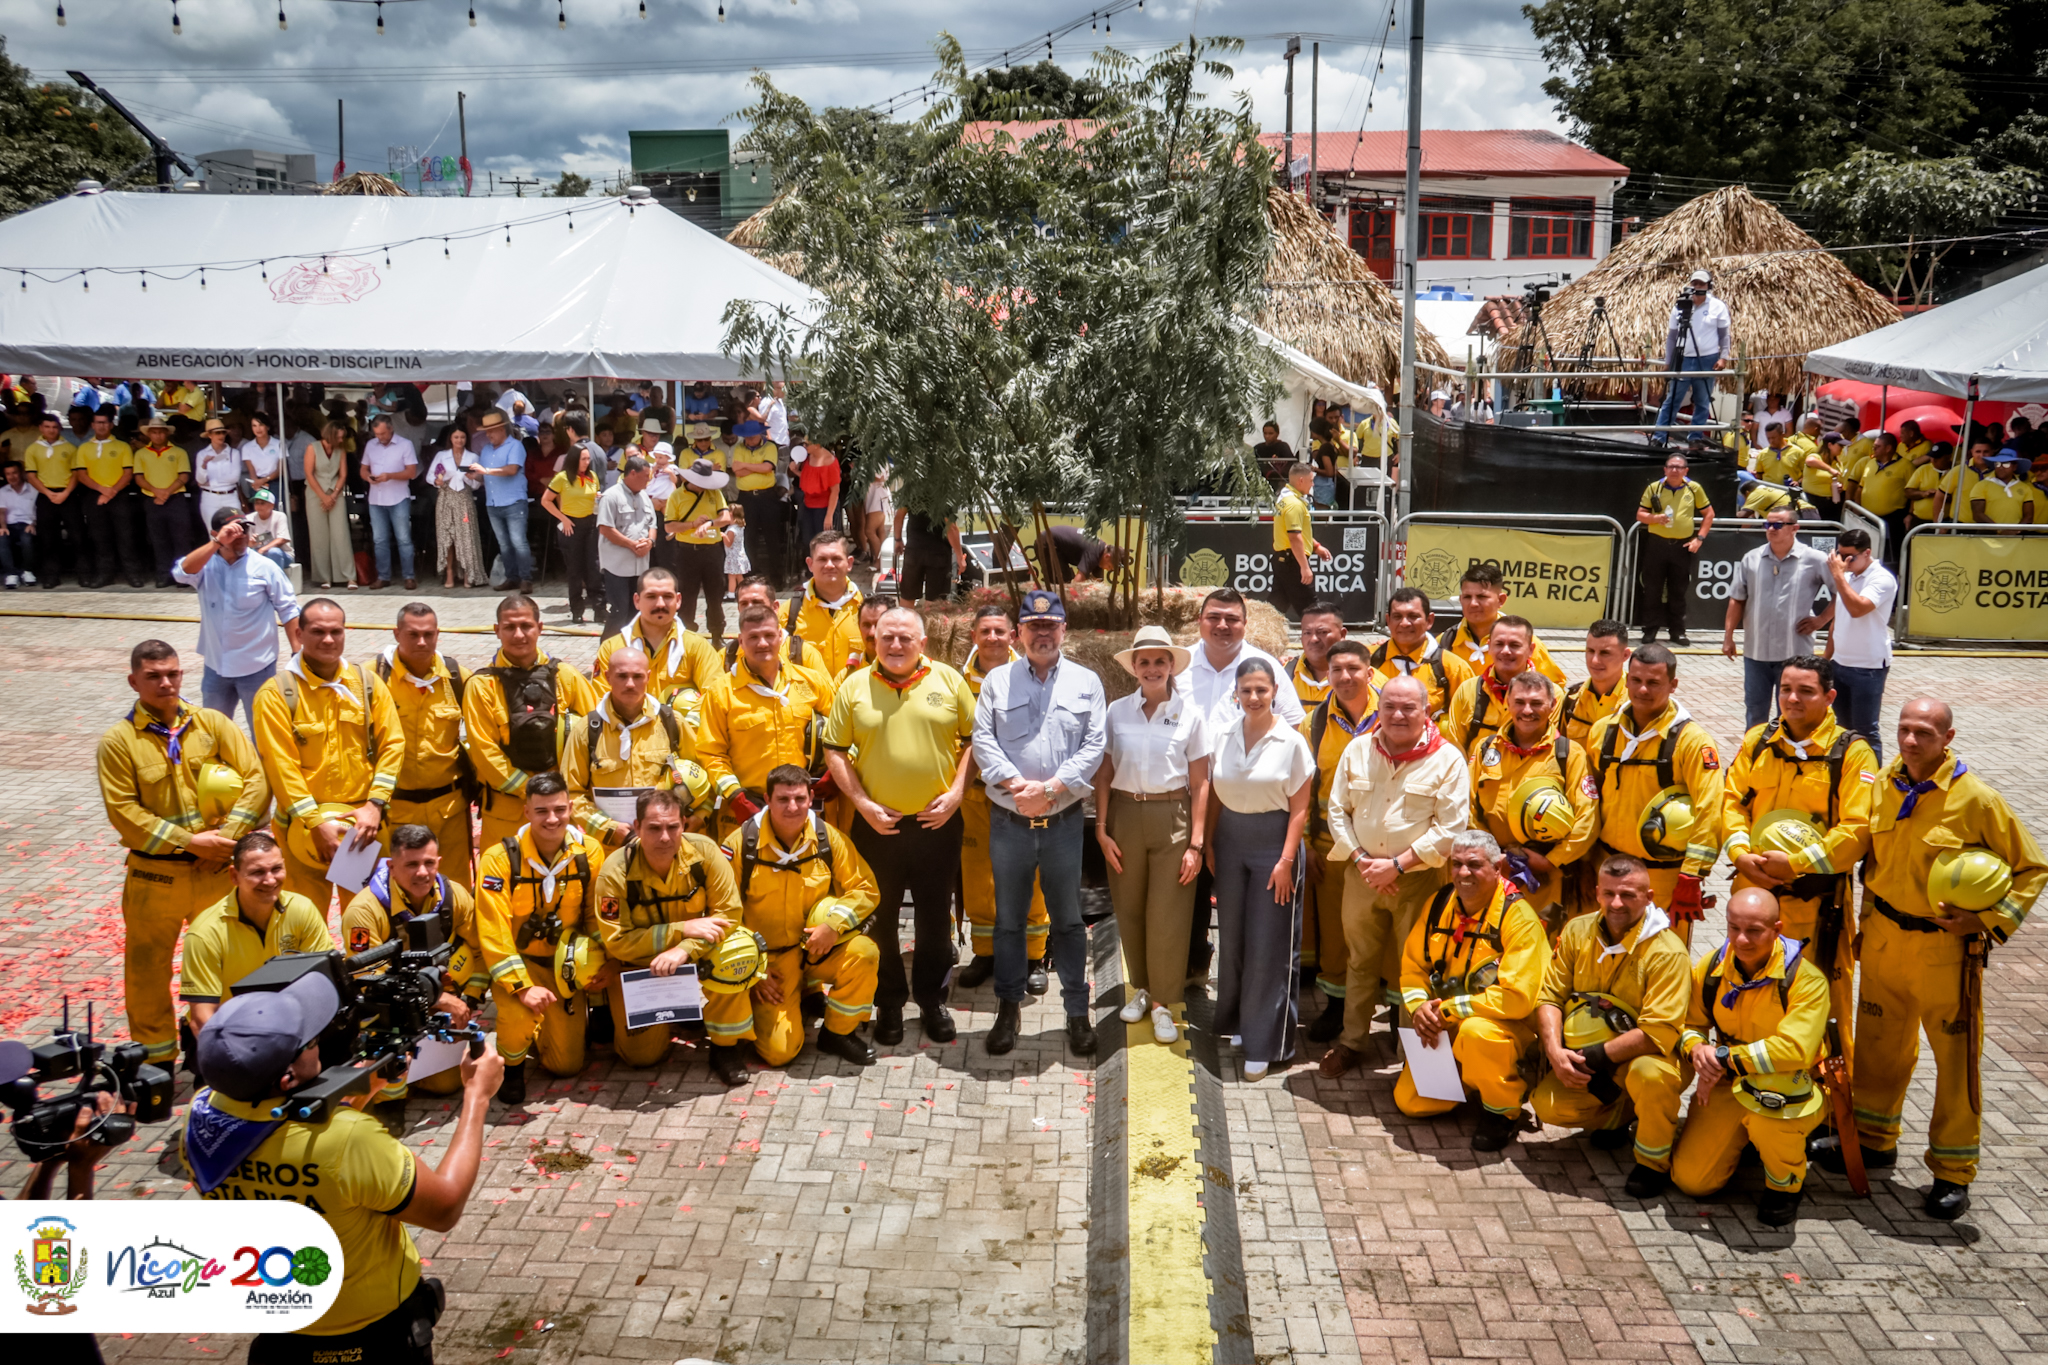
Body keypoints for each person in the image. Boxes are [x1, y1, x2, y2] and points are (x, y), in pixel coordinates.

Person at [186, 966, 501, 1362]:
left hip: (282, 1333)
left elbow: (293, 1142)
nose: (320, 1042)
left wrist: (364, 1089)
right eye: (311, 1040)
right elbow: (444, 1207)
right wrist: (477, 1096)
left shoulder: (202, 1118)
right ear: (286, 1078)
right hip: (373, 1337)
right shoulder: (350, 1139)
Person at [1822, 697, 2047, 1219]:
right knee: (1880, 1048)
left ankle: (1951, 1172)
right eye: (1904, 729)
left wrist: (1987, 921)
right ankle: (1876, 1141)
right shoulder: (1882, 785)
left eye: (1924, 731)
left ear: (1948, 737)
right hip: (1883, 941)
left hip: (1944, 951)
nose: (1910, 740)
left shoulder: (1976, 800)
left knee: (1955, 1064)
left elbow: (2032, 868)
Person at [98, 640, 269, 1066]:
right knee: (147, 971)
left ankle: (224, 1050)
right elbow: (124, 813)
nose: (166, 682)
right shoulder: (119, 742)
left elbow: (256, 780)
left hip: (215, 873)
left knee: (230, 961)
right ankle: (156, 1061)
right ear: (134, 681)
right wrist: (191, 842)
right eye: (154, 676)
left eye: (172, 673)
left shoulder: (212, 724)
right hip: (155, 878)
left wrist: (227, 839)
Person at [822, 605, 976, 1048]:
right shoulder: (853, 687)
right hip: (877, 827)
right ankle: (889, 1001)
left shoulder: (949, 680)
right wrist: (862, 803)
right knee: (880, 917)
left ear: (922, 643)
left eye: (905, 638)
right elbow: (834, 749)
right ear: (873, 639)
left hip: (937, 824)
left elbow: (974, 739)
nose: (895, 645)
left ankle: (931, 1000)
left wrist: (957, 793)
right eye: (886, 636)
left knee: (934, 918)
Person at [970, 589, 1109, 1057]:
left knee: (1069, 923)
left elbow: (1095, 746)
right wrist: (1016, 786)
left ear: (1064, 630)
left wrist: (1049, 790)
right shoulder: (997, 682)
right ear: (1019, 633)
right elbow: (983, 740)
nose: (1043, 634)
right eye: (1034, 626)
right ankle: (1008, 1010)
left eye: (1051, 627)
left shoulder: (1088, 682)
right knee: (1009, 921)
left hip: (1063, 821)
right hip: (1010, 820)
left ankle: (1077, 1013)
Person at [1719, 654, 1874, 1069]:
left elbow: (1858, 829)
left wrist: (1797, 864)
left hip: (1817, 912)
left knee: (1825, 1012)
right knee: (1751, 1003)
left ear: (1829, 696)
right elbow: (1731, 800)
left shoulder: (1852, 753)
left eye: (1806, 691)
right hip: (1753, 903)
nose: (1792, 698)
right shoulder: (1758, 741)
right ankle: (1751, 1097)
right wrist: (1740, 853)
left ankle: (1826, 1116)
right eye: (1786, 689)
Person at [1319, 674, 1470, 1079]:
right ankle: (1352, 1042)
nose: (1398, 715)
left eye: (1408, 708)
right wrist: (1363, 860)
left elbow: (1452, 828)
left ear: (1426, 711)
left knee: (1418, 969)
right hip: (1362, 875)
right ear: (1378, 708)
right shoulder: (1357, 750)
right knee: (1360, 961)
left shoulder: (1447, 758)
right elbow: (1337, 810)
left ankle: (1416, 1059)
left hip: (1419, 881)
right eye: (1390, 707)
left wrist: (1398, 865)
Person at [1668, 887, 1831, 1226]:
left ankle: (1785, 1186)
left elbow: (1794, 1050)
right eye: (1733, 928)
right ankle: (1748, 1145)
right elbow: (1688, 1024)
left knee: (1766, 1121)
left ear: (1777, 929)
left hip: (1791, 1086)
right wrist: (1697, 1049)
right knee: (1692, 1182)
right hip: (1731, 1081)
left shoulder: (1806, 980)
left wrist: (1723, 1056)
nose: (1741, 940)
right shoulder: (1712, 966)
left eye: (1754, 930)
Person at [1532, 854, 1691, 1195]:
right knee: (1548, 1105)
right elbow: (1549, 996)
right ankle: (1622, 1112)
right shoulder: (1577, 929)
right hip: (1595, 1056)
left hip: (1653, 1057)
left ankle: (1653, 1163)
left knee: (1649, 1076)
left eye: (1629, 895)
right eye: (1609, 894)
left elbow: (1657, 1033)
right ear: (1597, 892)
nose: (1617, 903)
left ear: (1649, 898)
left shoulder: (1668, 951)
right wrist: (1555, 1051)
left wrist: (1594, 1058)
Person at [710, 766, 882, 1071]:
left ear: (811, 797)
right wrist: (751, 972)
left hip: (817, 950)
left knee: (865, 953)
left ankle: (837, 1033)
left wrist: (833, 927)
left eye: (800, 798)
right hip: (769, 963)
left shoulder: (828, 838)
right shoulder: (739, 844)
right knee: (779, 1054)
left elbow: (866, 889)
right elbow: (719, 911)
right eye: (783, 799)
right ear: (767, 799)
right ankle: (752, 1012)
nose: (792, 807)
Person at [1394, 830, 1551, 1149]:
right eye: (1457, 864)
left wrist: (1448, 1012)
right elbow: (1413, 966)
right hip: (1447, 1022)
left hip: (1503, 1027)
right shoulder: (1440, 903)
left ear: (1498, 868)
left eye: (1475, 864)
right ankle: (1473, 1079)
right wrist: (1420, 1008)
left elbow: (1517, 999)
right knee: (1413, 1102)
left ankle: (1504, 1110)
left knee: (1475, 1033)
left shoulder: (1519, 919)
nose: (1463, 873)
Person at [1098, 624, 1212, 1047]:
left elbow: (1201, 783)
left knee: (1169, 913)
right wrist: (1101, 828)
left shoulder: (1190, 714)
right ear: (1134, 668)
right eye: (1143, 662)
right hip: (1125, 814)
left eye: (1159, 661)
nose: (1151, 668)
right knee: (1129, 908)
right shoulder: (1117, 711)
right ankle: (1142, 990)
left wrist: (1196, 843)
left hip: (1173, 816)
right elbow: (1106, 772)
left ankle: (1165, 1003)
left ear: (1170, 667)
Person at [252, 598, 405, 909]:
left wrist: (375, 805)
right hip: (303, 831)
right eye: (318, 631)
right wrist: (313, 822)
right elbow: (281, 767)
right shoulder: (277, 694)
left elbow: (393, 745)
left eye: (336, 631)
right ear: (299, 633)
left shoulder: (367, 685)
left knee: (362, 921)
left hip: (358, 829)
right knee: (303, 923)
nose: (328, 640)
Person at [1206, 657, 1316, 1080]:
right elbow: (1215, 793)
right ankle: (1236, 1021)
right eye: (1246, 690)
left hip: (1274, 843)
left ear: (1275, 692)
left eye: (1261, 690)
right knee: (1233, 936)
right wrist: (1212, 843)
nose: (1253, 697)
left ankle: (1265, 1043)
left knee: (1268, 944)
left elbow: (1300, 808)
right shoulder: (1223, 734)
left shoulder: (1291, 742)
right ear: (1235, 693)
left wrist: (1287, 861)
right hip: (1231, 841)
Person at [589, 789, 747, 1078]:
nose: (664, 837)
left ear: (684, 824)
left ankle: (725, 1047)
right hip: (642, 967)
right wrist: (681, 929)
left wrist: (684, 948)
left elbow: (730, 914)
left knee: (736, 949)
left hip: (694, 956)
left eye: (673, 827)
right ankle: (670, 1017)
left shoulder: (706, 852)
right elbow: (618, 942)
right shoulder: (614, 872)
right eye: (654, 828)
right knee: (640, 1057)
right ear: (636, 828)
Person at [473, 772, 606, 1104]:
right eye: (542, 811)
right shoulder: (499, 859)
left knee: (566, 1066)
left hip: (564, 968)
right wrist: (522, 987)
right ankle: (511, 1070)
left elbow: (595, 918)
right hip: (521, 965)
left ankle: (563, 1025)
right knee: (518, 1015)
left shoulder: (588, 853)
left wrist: (600, 964)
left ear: (571, 808)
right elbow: (494, 932)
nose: (552, 819)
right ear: (526, 812)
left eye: (560, 809)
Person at [1584, 643, 1722, 947]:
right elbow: (1587, 800)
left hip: (1662, 881)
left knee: (1662, 966)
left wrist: (1691, 877)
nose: (1642, 689)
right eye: (1635, 680)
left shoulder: (1693, 742)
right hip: (1607, 872)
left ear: (1673, 685)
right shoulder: (1603, 732)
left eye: (1654, 682)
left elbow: (1710, 812)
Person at [338, 824, 487, 1101]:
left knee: (446, 1085)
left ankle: (417, 1068)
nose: (422, 872)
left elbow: (480, 953)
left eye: (429, 863)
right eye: (411, 864)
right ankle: (387, 1098)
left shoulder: (455, 896)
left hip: (437, 1000)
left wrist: (469, 1000)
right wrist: (439, 999)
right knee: (390, 1083)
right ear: (392, 867)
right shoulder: (364, 911)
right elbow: (368, 982)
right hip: (388, 1010)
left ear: (438, 862)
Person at [956, 607, 1051, 991]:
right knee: (978, 875)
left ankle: (1033, 955)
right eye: (985, 631)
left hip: (1018, 795)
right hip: (975, 797)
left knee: (1031, 873)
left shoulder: (1032, 675)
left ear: (1013, 636)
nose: (992, 638)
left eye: (999, 631)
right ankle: (985, 952)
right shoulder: (954, 681)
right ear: (973, 636)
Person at [465, 594, 602, 855]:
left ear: (540, 628)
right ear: (497, 631)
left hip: (558, 815)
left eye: (526, 626)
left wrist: (559, 797)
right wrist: (534, 793)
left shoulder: (566, 676)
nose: (519, 634)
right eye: (509, 627)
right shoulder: (481, 686)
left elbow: (594, 734)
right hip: (505, 815)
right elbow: (485, 754)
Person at [1469, 671, 1599, 933]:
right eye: (1519, 702)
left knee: (1545, 946)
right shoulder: (1485, 749)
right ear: (1507, 701)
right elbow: (1470, 808)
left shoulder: (1569, 754)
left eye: (1537, 703)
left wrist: (1551, 860)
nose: (1527, 710)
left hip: (1548, 878)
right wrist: (1494, 857)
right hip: (1496, 871)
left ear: (1552, 705)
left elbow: (1588, 818)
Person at [1297, 640, 1378, 1042]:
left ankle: (1393, 1014)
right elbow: (1303, 788)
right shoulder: (1313, 723)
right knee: (1335, 933)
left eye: (1353, 669)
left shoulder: (1397, 715)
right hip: (1332, 847)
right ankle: (1336, 1006)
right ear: (1327, 676)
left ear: (1370, 672)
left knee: (1386, 932)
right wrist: (1307, 844)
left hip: (1385, 850)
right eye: (1337, 671)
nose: (1345, 678)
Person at [696, 602, 836, 832]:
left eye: (769, 635)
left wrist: (835, 774)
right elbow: (711, 753)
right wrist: (735, 796)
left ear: (781, 636)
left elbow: (846, 733)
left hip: (804, 808)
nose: (762, 643)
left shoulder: (812, 682)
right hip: (746, 810)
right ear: (741, 641)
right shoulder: (721, 692)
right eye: (753, 637)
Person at [179, 832, 335, 1034]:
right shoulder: (205, 932)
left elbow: (321, 982)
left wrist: (304, 1043)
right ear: (234, 876)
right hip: (227, 1035)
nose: (270, 881)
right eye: (257, 872)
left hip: (289, 1028)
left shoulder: (302, 909)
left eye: (276, 869)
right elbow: (202, 1019)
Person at [174, 507, 304, 726]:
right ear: (216, 534)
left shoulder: (265, 567)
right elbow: (180, 573)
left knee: (263, 736)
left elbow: (289, 610)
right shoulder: (205, 565)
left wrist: (297, 653)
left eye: (244, 529)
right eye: (233, 531)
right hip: (216, 667)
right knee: (214, 735)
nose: (241, 535)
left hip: (257, 667)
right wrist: (216, 543)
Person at [374, 603, 474, 875]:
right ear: (396, 633)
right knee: (396, 892)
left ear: (438, 634)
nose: (422, 642)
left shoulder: (456, 678)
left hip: (449, 812)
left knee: (455, 893)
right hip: (394, 811)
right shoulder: (372, 678)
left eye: (428, 635)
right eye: (412, 634)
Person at [561, 645, 691, 850]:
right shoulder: (587, 730)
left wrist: (696, 816)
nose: (630, 684)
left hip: (665, 846)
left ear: (648, 676)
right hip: (609, 849)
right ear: (607, 677)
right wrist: (608, 828)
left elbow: (701, 774)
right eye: (622, 676)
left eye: (637, 676)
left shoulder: (671, 723)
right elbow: (571, 793)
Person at [1723, 507, 1831, 730]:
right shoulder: (1752, 558)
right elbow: (1737, 598)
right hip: (1756, 652)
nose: (1771, 529)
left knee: (1792, 713)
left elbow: (1842, 593)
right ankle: (1754, 759)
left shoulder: (1815, 559)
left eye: (1777, 525)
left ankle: (1791, 757)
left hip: (1795, 654)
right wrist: (1728, 637)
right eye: (1767, 524)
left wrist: (1821, 620)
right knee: (1755, 711)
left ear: (1795, 528)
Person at [1816, 528, 1896, 761]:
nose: (1844, 562)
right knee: (1842, 728)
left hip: (1868, 667)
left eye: (1850, 557)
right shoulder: (1848, 577)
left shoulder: (1882, 578)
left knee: (1866, 731)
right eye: (1840, 556)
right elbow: (1838, 620)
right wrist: (1826, 658)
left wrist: (1839, 576)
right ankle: (1846, 775)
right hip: (1840, 663)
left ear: (1867, 552)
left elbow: (1858, 608)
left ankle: (1871, 783)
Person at [592, 566, 722, 702]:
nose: (660, 604)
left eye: (667, 596)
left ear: (678, 600)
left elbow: (715, 700)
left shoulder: (697, 647)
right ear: (637, 600)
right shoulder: (612, 649)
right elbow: (600, 703)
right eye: (651, 596)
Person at [1442, 615, 1556, 757]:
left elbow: (1553, 750)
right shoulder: (1467, 690)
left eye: (1514, 645)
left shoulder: (1551, 694)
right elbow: (1455, 749)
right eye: (1499, 644)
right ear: (1489, 647)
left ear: (1531, 649)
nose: (1505, 651)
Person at [1438, 563, 1566, 683]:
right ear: (1460, 600)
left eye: (1482, 597)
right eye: (1467, 597)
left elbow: (1554, 690)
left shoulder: (1527, 645)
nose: (1473, 604)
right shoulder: (1444, 643)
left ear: (1501, 600)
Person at [1635, 452, 1714, 646]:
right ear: (1665, 469)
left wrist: (1699, 539)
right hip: (1657, 545)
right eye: (1671, 466)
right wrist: (1654, 518)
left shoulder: (1694, 488)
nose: (1674, 470)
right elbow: (1640, 514)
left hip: (1682, 546)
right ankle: (1650, 630)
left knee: (1678, 591)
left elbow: (1709, 513)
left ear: (1686, 470)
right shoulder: (1654, 487)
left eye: (1679, 467)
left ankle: (1677, 632)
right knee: (1652, 590)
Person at [1367, 586, 1474, 719]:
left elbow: (1467, 720)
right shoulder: (1367, 660)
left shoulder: (1454, 668)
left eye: (1413, 616)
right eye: (1397, 616)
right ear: (1388, 620)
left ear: (1429, 620)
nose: (1404, 623)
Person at [1653, 268, 1731, 445]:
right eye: (1694, 283)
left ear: (1708, 286)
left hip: (1708, 359)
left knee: (1703, 401)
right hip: (1684, 359)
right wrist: (1668, 361)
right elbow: (1672, 336)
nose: (1697, 287)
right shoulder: (1680, 306)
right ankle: (1660, 436)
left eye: (1701, 284)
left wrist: (1723, 357)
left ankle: (1695, 437)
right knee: (1673, 398)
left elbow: (1724, 335)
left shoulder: (1718, 306)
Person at [72, 407, 144, 588]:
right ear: (92, 425)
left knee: (126, 536)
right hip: (95, 495)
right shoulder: (84, 448)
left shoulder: (122, 446)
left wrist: (111, 492)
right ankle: (105, 574)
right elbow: (81, 474)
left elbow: (128, 473)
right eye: (97, 422)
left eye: (104, 422)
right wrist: (102, 490)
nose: (101, 426)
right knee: (100, 537)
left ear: (111, 425)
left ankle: (132, 574)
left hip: (119, 495)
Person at [665, 456, 734, 643]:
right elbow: (669, 526)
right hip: (687, 551)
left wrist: (711, 523)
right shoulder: (676, 496)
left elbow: (726, 517)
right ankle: (687, 637)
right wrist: (692, 524)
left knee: (715, 595)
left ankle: (717, 634)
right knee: (687, 596)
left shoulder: (715, 493)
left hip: (712, 551)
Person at [594, 455, 659, 636]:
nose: (648, 480)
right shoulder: (611, 496)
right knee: (618, 611)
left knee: (636, 613)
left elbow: (652, 524)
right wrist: (631, 545)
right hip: (617, 566)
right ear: (632, 473)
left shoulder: (645, 497)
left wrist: (650, 542)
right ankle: (606, 656)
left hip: (640, 567)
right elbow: (606, 529)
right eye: (646, 476)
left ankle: (632, 652)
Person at [473, 409, 535, 591]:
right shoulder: (485, 450)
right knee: (504, 543)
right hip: (493, 502)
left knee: (518, 541)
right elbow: (486, 476)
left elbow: (511, 470)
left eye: (491, 430)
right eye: (487, 431)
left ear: (502, 429)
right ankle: (512, 577)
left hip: (514, 501)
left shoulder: (515, 446)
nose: (488, 434)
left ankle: (525, 578)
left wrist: (486, 472)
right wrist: (475, 476)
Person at [789, 531, 867, 673]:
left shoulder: (867, 609)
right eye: (822, 559)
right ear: (810, 564)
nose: (829, 565)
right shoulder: (789, 612)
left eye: (836, 558)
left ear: (849, 563)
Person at [544, 441, 603, 625]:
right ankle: (577, 610)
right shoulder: (562, 478)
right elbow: (546, 500)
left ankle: (600, 609)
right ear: (574, 460)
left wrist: (598, 498)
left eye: (588, 459)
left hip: (590, 523)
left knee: (594, 568)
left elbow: (594, 496)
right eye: (583, 459)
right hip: (571, 524)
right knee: (575, 570)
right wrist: (562, 518)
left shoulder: (592, 476)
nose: (586, 462)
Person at [132, 414, 192, 587]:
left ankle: (182, 575)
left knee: (181, 538)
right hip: (152, 500)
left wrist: (166, 492)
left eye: (161, 432)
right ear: (149, 434)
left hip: (176, 499)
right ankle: (163, 574)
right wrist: (157, 491)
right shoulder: (142, 454)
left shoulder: (178, 452)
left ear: (167, 434)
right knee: (159, 539)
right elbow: (139, 478)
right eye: (154, 432)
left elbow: (184, 476)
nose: (158, 436)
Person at [23, 412, 80, 589]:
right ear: (41, 428)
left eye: (54, 427)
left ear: (59, 428)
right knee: (48, 539)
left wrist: (65, 493)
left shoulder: (70, 448)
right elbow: (31, 476)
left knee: (78, 536)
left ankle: (84, 574)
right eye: (47, 427)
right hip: (45, 495)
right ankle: (51, 576)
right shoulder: (33, 449)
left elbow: (76, 473)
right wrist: (47, 493)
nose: (51, 430)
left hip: (68, 495)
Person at [424, 428, 485, 589]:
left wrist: (470, 477)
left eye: (462, 437)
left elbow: (478, 482)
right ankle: (449, 572)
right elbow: (430, 476)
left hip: (464, 497)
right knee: (446, 537)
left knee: (466, 536)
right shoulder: (441, 456)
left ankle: (468, 573)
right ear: (450, 439)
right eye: (456, 437)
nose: (459, 440)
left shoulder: (473, 457)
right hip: (445, 497)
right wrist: (437, 481)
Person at [728, 419, 785, 589]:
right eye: (747, 437)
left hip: (767, 497)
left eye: (752, 437)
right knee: (747, 538)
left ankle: (777, 578)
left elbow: (768, 468)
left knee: (772, 537)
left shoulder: (770, 447)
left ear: (759, 435)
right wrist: (757, 467)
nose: (749, 440)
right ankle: (751, 575)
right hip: (746, 498)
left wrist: (746, 466)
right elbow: (737, 471)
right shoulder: (739, 447)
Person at [1271, 463, 1332, 620]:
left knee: (1276, 607)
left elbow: (1298, 533)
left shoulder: (1285, 499)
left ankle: (1256, 637)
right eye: (1311, 480)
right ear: (1300, 480)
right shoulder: (1294, 505)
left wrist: (1316, 547)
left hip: (1283, 559)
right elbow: (1294, 537)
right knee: (1311, 609)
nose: (1313, 484)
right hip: (1292, 561)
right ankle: (1324, 640)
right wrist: (1304, 567)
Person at [1846, 431, 1912, 569]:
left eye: (1877, 447)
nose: (1873, 449)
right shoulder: (1870, 463)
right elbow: (1860, 487)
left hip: (1893, 519)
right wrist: (1857, 508)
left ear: (1888, 448)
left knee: (1891, 556)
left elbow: (1911, 491)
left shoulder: (1906, 465)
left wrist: (1910, 513)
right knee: (1869, 551)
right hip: (1869, 518)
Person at [1562, 619, 1630, 748]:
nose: (1594, 660)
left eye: (1605, 653)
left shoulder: (1637, 702)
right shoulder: (1571, 700)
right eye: (1590, 651)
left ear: (1625, 655)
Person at [304, 421, 354, 590]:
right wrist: (323, 497)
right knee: (319, 535)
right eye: (339, 437)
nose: (341, 440)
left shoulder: (341, 450)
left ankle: (348, 576)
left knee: (341, 534)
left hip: (335, 493)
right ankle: (324, 577)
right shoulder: (312, 448)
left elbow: (343, 474)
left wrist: (332, 495)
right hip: (315, 494)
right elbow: (309, 475)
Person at [893, 508, 968, 607]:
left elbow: (899, 515)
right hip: (938, 552)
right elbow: (951, 527)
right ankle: (930, 622)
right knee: (935, 600)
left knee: (908, 595)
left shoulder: (911, 493)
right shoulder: (945, 494)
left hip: (914, 550)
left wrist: (898, 539)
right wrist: (960, 556)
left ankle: (905, 622)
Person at [1284, 602, 1347, 712]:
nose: (1313, 639)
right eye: (1307, 633)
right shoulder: (1283, 674)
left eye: (1322, 632)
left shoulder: (1365, 678)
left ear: (1342, 635)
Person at [1970, 447, 2046, 526]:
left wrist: (2015, 531)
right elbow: (1977, 515)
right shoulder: (1981, 486)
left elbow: (2029, 516)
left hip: (2016, 537)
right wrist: (1999, 530)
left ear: (2014, 467)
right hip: (1988, 536)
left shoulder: (2025, 488)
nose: (2001, 467)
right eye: (1998, 464)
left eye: (2006, 464)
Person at [192, 418, 244, 530]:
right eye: (217, 433)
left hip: (230, 496)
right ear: (210, 435)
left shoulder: (233, 453)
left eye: (223, 432)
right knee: (213, 534)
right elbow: (200, 480)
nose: (221, 435)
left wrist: (211, 482)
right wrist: (204, 465)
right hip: (210, 498)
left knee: (236, 531)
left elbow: (234, 478)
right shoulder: (202, 454)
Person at [1036, 522, 1126, 584]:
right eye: (1109, 567)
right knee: (1061, 582)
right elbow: (1078, 581)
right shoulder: (1093, 552)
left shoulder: (1100, 553)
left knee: (1067, 580)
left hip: (1057, 545)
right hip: (1047, 543)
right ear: (1107, 556)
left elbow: (1097, 584)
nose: (1107, 569)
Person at [794, 434, 840, 544]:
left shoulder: (830, 462)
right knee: (808, 541)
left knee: (822, 542)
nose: (804, 446)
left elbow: (835, 491)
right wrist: (795, 470)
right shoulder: (808, 458)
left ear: (817, 445)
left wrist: (829, 516)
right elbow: (810, 478)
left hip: (823, 508)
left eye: (807, 444)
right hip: (807, 505)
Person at [0, 460, 36, 587]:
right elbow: (2, 512)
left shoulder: (33, 489)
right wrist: (3, 527)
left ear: (21, 473)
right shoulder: (3, 491)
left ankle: (27, 571)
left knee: (26, 539)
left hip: (28, 524)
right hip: (10, 525)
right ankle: (11, 574)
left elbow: (39, 509)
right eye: (8, 474)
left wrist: (33, 524)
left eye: (14, 473)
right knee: (2, 539)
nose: (12, 476)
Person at [240, 412, 284, 508]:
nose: (258, 429)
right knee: (259, 513)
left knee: (276, 512)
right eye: (254, 426)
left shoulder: (279, 444)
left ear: (267, 427)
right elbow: (251, 470)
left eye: (261, 425)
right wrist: (256, 482)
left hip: (275, 484)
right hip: (257, 484)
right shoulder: (247, 447)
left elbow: (281, 469)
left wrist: (265, 480)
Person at [244, 489, 293, 571]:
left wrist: (263, 549)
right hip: (258, 553)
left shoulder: (279, 516)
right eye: (256, 503)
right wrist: (251, 543)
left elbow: (282, 539)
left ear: (272, 505)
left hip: (282, 554)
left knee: (274, 552)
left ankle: (276, 582)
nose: (259, 506)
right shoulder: (249, 518)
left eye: (262, 503)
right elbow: (247, 544)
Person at [1252, 420, 1293, 485]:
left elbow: (1291, 465)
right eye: (1265, 433)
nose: (1267, 436)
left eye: (1270, 433)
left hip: (1279, 482)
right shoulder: (1258, 448)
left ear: (1277, 434)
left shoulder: (1283, 447)